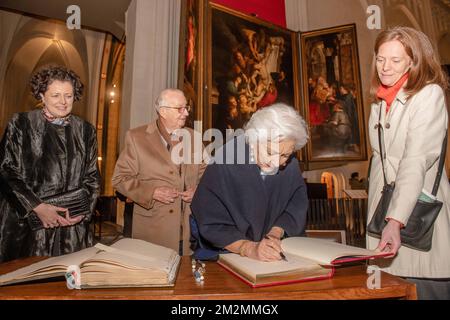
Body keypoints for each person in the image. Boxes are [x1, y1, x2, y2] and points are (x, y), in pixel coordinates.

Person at [367, 27, 450, 299]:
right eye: (380, 59)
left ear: (413, 62)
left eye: (395, 60)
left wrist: (395, 220)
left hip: (415, 221)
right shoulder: (378, 102)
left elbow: (415, 160)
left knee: (424, 291)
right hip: (384, 225)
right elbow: (380, 163)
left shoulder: (429, 95)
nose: (385, 67)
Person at [0, 65, 100, 262]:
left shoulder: (86, 130)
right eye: (55, 95)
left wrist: (82, 211)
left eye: (69, 96)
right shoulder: (21, 123)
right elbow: (5, 169)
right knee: (27, 285)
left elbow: (92, 176)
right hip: (28, 227)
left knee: (66, 284)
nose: (63, 102)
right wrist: (37, 207)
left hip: (71, 227)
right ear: (42, 96)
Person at [191, 103, 309, 261]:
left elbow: (294, 208)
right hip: (228, 253)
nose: (275, 162)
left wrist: (274, 234)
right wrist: (248, 248)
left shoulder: (290, 165)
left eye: (285, 155)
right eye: (269, 152)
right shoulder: (226, 160)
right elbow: (211, 221)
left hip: (273, 253)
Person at [112, 88, 206, 255]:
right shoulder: (136, 138)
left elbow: (207, 175)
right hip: (153, 232)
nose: (185, 113)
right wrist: (152, 192)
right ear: (163, 111)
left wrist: (198, 191)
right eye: (180, 108)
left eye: (186, 108)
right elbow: (120, 179)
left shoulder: (194, 138)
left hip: (189, 234)